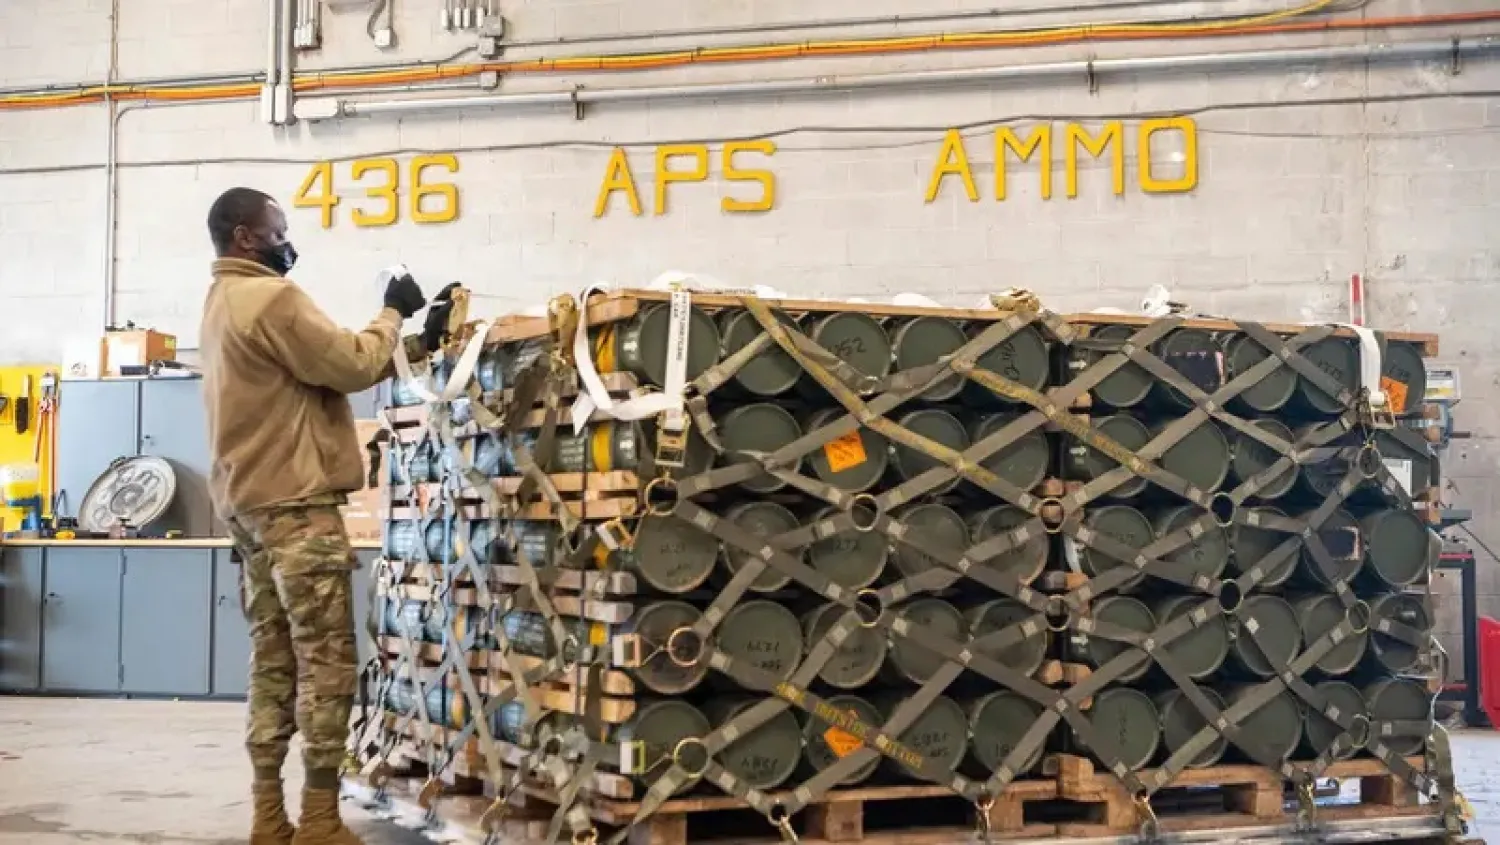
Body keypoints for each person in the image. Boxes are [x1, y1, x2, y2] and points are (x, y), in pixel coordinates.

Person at [199, 187, 451, 845]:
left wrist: (417, 342)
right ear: (246, 237)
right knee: (327, 664)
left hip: (249, 509)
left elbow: (320, 368)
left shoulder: (222, 301)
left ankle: (267, 816)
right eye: (278, 230)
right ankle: (317, 820)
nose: (288, 240)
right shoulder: (273, 297)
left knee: (273, 662)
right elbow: (349, 363)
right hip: (298, 510)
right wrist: (393, 310)